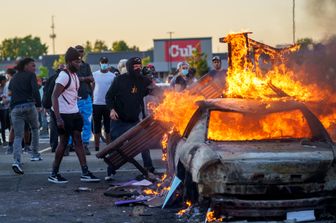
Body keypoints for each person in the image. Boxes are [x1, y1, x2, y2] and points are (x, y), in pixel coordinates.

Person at [48, 47, 100, 183]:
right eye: (76, 62)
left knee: (78, 141)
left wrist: (75, 103)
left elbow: (71, 94)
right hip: (63, 115)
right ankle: (54, 173)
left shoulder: (74, 76)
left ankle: (85, 172)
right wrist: (58, 118)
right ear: (69, 61)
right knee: (63, 142)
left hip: (74, 113)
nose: (79, 64)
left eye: (80, 61)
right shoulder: (63, 76)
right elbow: (54, 96)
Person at [105, 57, 155, 180]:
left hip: (134, 121)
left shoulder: (143, 80)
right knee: (115, 147)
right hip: (119, 121)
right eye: (135, 66)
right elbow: (109, 97)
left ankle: (149, 169)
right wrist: (111, 110)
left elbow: (155, 91)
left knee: (144, 143)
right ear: (129, 67)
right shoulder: (119, 80)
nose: (138, 68)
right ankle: (110, 172)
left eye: (139, 65)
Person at [9, 58, 42, 175]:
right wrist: (38, 104)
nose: (34, 68)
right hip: (29, 105)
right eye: (33, 65)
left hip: (15, 108)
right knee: (35, 128)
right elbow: (35, 90)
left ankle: (16, 161)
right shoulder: (30, 75)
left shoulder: (14, 78)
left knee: (18, 136)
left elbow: (11, 93)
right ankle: (35, 154)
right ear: (26, 66)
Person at [92, 57, 115, 151]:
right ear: (100, 63)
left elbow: (114, 90)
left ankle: (108, 146)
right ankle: (96, 147)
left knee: (108, 126)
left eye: (105, 62)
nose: (104, 64)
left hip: (107, 104)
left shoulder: (112, 76)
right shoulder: (94, 74)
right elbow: (92, 86)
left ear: (108, 64)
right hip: (96, 103)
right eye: (102, 62)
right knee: (96, 126)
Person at [74, 45, 93, 155]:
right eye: (78, 51)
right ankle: (70, 144)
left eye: (82, 51)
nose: (80, 53)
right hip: (74, 98)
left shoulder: (86, 66)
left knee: (87, 122)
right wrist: (85, 79)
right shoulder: (71, 66)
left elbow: (91, 78)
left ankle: (85, 144)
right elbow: (74, 79)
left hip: (86, 97)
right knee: (73, 123)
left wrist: (82, 79)